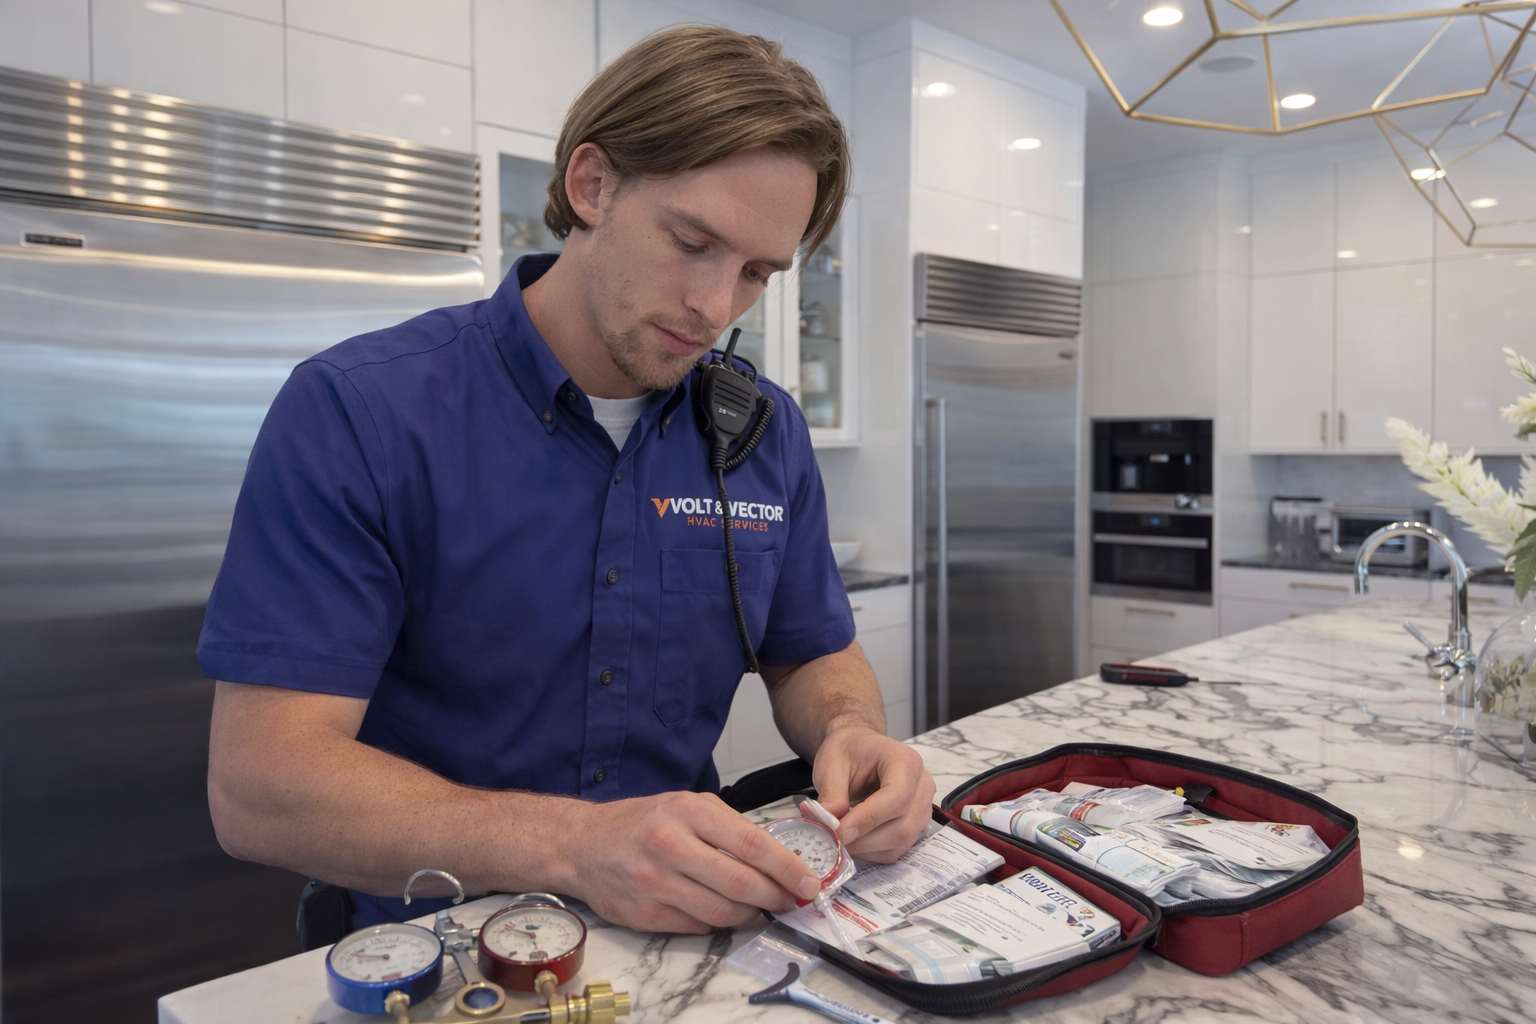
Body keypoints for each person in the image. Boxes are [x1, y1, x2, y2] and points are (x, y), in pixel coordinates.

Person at [200, 25, 936, 936]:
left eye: (755, 273)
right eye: (692, 241)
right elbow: (262, 787)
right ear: (592, 185)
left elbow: (811, 652)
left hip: (693, 937)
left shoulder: (764, 432)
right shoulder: (362, 411)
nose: (716, 308)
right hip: (439, 947)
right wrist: (573, 844)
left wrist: (850, 732)